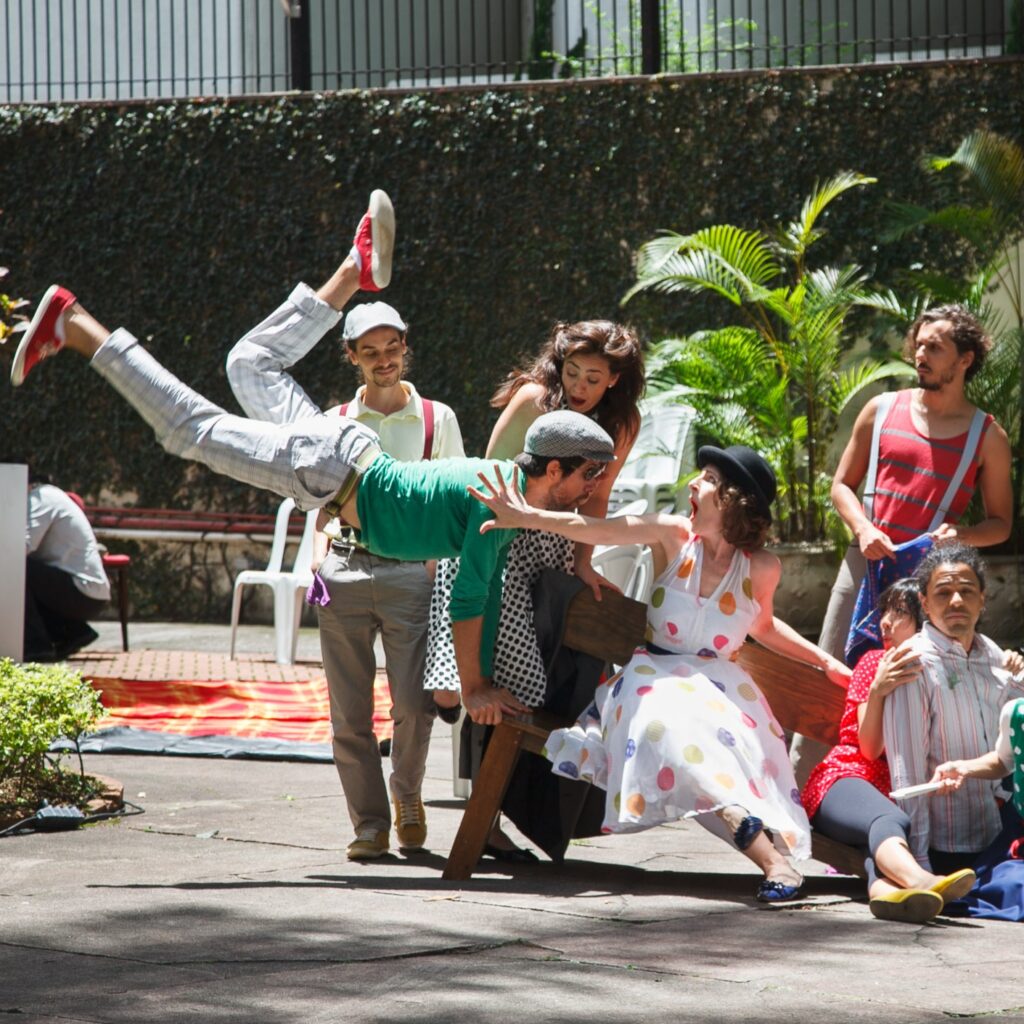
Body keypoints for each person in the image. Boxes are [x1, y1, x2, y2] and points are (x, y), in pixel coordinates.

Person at [7, 197, 616, 736]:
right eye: (587, 477)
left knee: (250, 363)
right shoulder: (496, 509)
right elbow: (468, 601)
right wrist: (475, 685)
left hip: (342, 450)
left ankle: (355, 269)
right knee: (189, 430)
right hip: (330, 471)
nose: (590, 491)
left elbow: (481, 590)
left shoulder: (503, 488)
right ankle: (76, 325)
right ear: (554, 467)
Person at [471, 444, 851, 901]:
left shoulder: (761, 569)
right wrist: (523, 516)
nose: (693, 483)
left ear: (733, 500)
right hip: (653, 678)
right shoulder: (673, 535)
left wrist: (823, 660)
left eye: (708, 479)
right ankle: (772, 860)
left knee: (708, 750)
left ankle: (765, 849)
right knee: (669, 727)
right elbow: (591, 527)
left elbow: (763, 626)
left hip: (718, 688)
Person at [222, 205, 465, 861]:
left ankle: (407, 794)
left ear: (405, 348)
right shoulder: (329, 422)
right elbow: (316, 506)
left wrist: (436, 574)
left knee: (415, 707)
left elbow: (454, 505)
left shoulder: (438, 419)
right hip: (347, 573)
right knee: (348, 713)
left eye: (393, 349)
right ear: (351, 357)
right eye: (370, 352)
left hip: (414, 575)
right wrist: (317, 566)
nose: (384, 361)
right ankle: (369, 823)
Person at [426, 319, 644, 861]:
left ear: (615, 380)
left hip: (555, 545)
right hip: (496, 540)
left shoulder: (622, 423)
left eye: (594, 378)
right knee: (488, 674)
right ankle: (483, 806)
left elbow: (595, 499)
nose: (580, 387)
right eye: (572, 372)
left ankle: (514, 810)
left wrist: (583, 563)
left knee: (538, 678)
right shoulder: (532, 399)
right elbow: (489, 479)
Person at [791, 305, 1013, 788]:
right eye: (919, 343)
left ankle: (898, 806)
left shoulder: (987, 435)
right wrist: (863, 528)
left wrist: (962, 536)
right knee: (829, 674)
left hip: (928, 584)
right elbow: (840, 487)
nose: (920, 353)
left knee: (917, 692)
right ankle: (799, 799)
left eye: (935, 347)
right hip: (865, 565)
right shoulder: (881, 409)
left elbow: (1000, 525)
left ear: (965, 360)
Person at [802, 579, 980, 922]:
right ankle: (923, 881)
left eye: (899, 612)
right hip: (844, 780)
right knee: (891, 819)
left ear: (922, 619)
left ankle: (890, 896)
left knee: (879, 844)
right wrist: (879, 690)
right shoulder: (873, 663)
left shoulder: (940, 669)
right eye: (885, 610)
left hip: (893, 792)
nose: (885, 621)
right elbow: (868, 750)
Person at [883, 543, 1024, 875]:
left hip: (998, 833)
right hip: (944, 846)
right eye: (943, 593)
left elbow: (1008, 747)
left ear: (983, 598)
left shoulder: (993, 656)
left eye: (966, 591)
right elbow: (908, 768)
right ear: (924, 602)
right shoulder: (913, 662)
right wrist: (918, 863)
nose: (956, 601)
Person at [22, 472, 110, 662]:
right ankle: (72, 632)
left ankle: (36, 646)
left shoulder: (40, 498)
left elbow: (23, 546)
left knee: (17, 569)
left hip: (82, 591)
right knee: (21, 570)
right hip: (87, 592)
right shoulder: (50, 495)